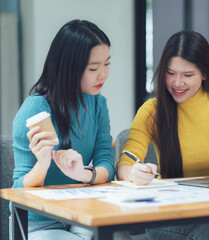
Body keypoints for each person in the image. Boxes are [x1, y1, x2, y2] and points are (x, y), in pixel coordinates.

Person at [116, 30, 209, 240]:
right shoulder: (152, 110)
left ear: (205, 73)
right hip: (169, 216)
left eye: (187, 75)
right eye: (170, 73)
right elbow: (125, 162)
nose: (177, 83)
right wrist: (133, 173)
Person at [11, 20, 116, 240]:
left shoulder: (98, 104)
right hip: (39, 224)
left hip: (80, 216)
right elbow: (18, 190)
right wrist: (42, 164)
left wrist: (84, 174)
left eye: (107, 64)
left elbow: (106, 162)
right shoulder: (36, 109)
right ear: (69, 67)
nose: (103, 74)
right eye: (93, 68)